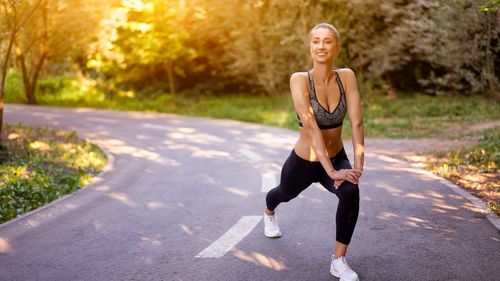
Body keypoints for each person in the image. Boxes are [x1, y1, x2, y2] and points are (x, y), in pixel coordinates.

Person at [263, 22, 364, 281]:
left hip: (337, 156)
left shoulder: (347, 77)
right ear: (310, 47)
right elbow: (310, 124)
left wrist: (357, 168)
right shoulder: (299, 80)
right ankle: (268, 211)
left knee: (351, 192)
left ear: (336, 47)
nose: (321, 46)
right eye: (316, 41)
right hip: (305, 161)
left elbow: (357, 122)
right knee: (283, 194)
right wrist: (331, 171)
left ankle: (338, 260)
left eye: (327, 41)